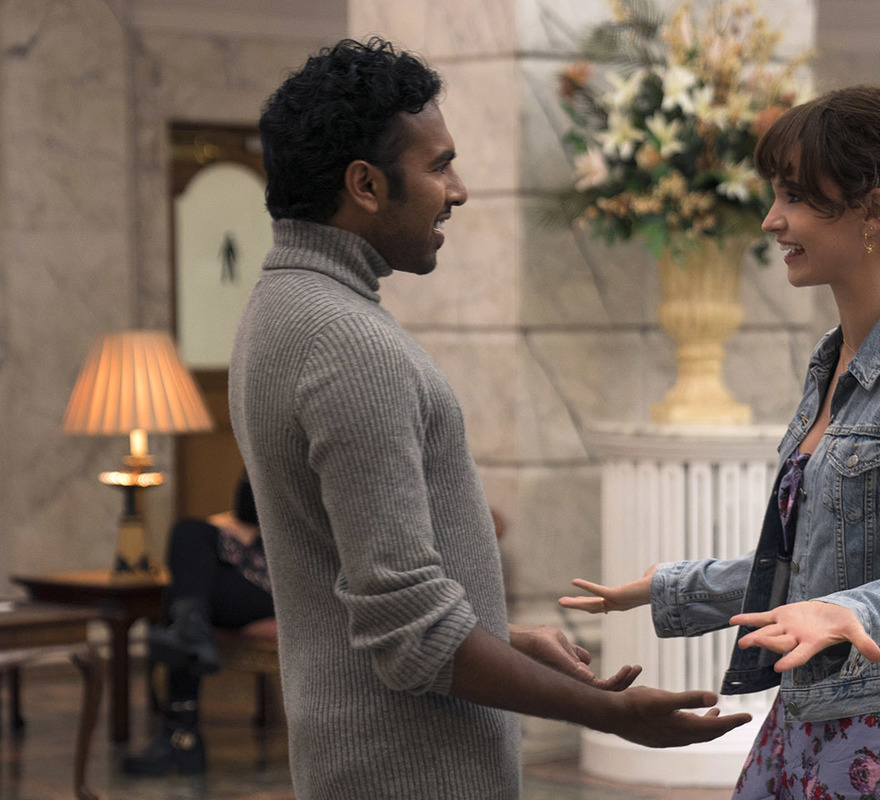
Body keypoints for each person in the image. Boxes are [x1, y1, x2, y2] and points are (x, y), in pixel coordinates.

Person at [228, 38, 750, 800]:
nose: (459, 191)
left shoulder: (276, 311)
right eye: (439, 166)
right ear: (365, 184)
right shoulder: (348, 343)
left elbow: (366, 594)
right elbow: (411, 634)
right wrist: (610, 713)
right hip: (412, 776)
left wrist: (503, 639)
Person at [561, 85, 880, 799]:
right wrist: (666, 587)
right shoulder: (835, 358)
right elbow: (810, 566)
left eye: (796, 197)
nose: (772, 220)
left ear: (873, 212)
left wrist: (846, 613)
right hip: (816, 713)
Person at [123, 471, 274, 776]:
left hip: (288, 581)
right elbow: (247, 506)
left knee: (186, 600)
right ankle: (190, 632)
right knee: (190, 531)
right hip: (254, 556)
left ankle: (181, 734)